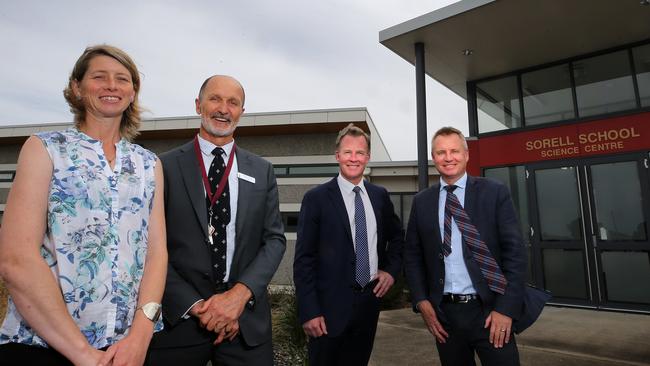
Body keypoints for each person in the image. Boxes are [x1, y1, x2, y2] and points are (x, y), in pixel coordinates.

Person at [0, 44, 168, 366]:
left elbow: (156, 252)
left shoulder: (149, 164)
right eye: (99, 77)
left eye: (122, 79)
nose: (111, 85)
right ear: (77, 87)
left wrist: (141, 336)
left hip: (126, 351)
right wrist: (85, 356)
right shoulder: (44, 150)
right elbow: (15, 259)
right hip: (42, 347)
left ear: (132, 92)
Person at [147, 75, 286, 366]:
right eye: (215, 99)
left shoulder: (262, 170)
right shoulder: (164, 166)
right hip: (180, 320)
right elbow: (151, 245)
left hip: (245, 322)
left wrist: (238, 297)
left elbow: (274, 240)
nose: (224, 109)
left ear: (241, 112)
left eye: (233, 102)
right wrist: (197, 306)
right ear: (198, 105)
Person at [404, 126, 527, 366]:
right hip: (445, 316)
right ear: (433, 157)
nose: (448, 158)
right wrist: (421, 301)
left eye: (454, 151)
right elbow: (412, 255)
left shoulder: (494, 192)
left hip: (490, 311)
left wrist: (506, 309)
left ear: (467, 154)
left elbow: (515, 253)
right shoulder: (422, 202)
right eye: (441, 152)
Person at [293, 123, 404, 366]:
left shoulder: (379, 196)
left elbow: (398, 238)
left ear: (368, 157)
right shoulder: (317, 198)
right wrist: (309, 311)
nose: (353, 159)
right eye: (347, 152)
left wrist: (390, 271)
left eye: (360, 153)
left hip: (368, 306)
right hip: (327, 311)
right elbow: (304, 260)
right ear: (337, 155)